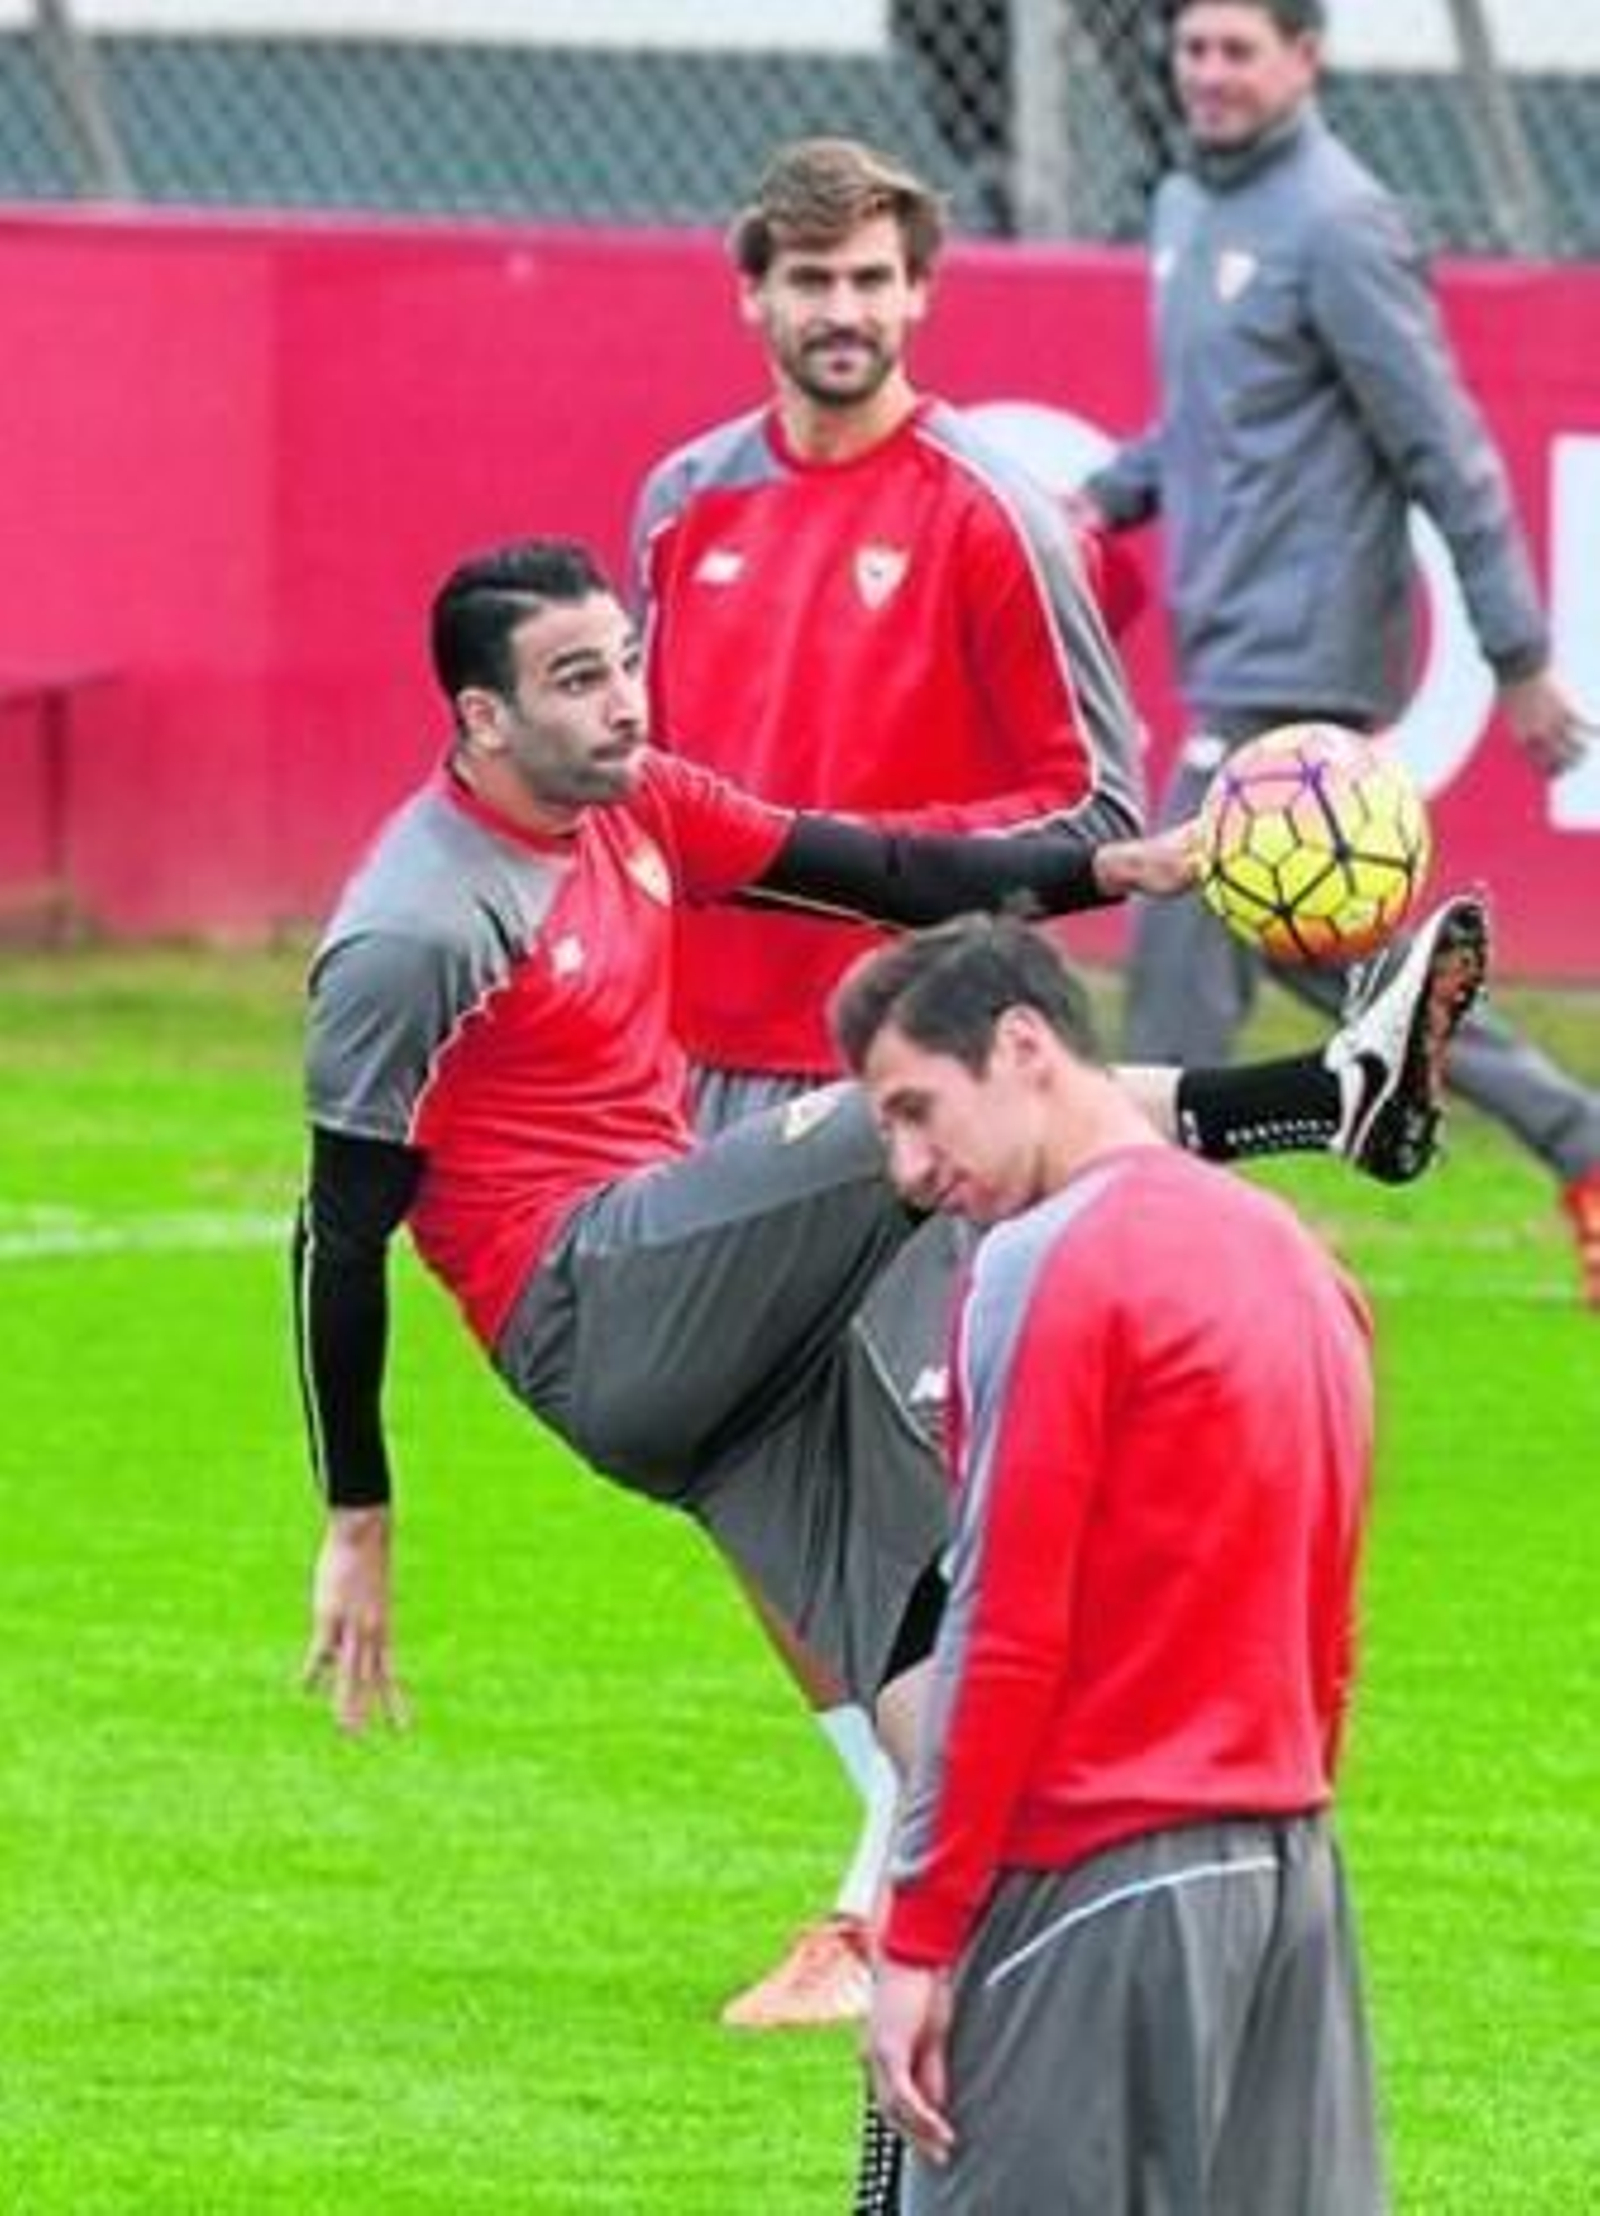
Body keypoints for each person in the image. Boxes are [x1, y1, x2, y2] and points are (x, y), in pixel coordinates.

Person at [295, 535, 1482, 1782]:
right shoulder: (415, 923)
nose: (626, 702)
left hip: (711, 1356)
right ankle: (1327, 1096)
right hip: (592, 1300)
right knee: (912, 1102)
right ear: (483, 715)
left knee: (924, 1620)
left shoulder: (637, 800)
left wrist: (1107, 867)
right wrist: (358, 1515)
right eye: (579, 679)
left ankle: (992, 1921)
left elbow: (880, 871)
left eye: (628, 664)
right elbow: (335, 1234)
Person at [631, 132, 1149, 2028]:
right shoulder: (684, 505)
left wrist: (855, 857)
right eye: (808, 281)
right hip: (715, 1072)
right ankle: (927, 1847)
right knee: (743, 1484)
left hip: (922, 1092)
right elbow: (651, 791)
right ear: (752, 293)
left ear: (920, 293)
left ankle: (894, 1905)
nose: (841, 314)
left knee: (932, 1494)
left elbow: (1097, 806)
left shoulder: (997, 516)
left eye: (872, 281)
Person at [844, 915, 1387, 2214]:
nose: (914, 1168)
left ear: (1023, 1046)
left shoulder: (1043, 1265)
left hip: (1090, 1888)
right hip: (1286, 1878)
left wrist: (918, 1938)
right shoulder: (1305, 1266)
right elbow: (1333, 1633)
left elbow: (1007, 1629)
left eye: (920, 1110)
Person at [1079, 0, 1600, 1309]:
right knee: (1339, 965)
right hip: (1229, 656)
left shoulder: (1339, 222)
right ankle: (1579, 1138)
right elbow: (1210, 423)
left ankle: (1147, 1253)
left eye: (1236, 50)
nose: (1206, 75)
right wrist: (1106, 493)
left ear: (1306, 62)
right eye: (1191, 50)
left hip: (1298, 671)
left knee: (1179, 959)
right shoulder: (1188, 205)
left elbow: (1446, 447)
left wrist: (1521, 654)